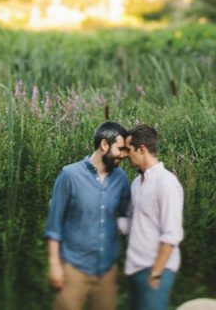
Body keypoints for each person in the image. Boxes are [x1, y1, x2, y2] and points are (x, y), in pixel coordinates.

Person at [44, 121, 132, 310]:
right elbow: (54, 223)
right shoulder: (70, 175)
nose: (124, 155)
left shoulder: (121, 178)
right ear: (104, 145)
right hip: (74, 268)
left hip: (107, 271)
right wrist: (54, 265)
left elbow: (128, 216)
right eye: (121, 149)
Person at [119, 124, 184, 310]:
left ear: (142, 149)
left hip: (156, 269)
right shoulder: (136, 183)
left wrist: (156, 273)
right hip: (135, 268)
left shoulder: (166, 183)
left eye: (128, 150)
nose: (124, 155)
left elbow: (172, 234)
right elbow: (134, 224)